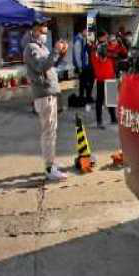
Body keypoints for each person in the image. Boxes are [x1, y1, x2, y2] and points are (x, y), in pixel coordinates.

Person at [24, 22, 68, 181]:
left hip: (50, 92)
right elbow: (41, 66)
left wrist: (61, 53)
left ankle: (52, 161)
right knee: (48, 132)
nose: (45, 34)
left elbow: (51, 64)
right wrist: (55, 50)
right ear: (35, 31)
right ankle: (49, 168)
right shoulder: (31, 48)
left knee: (52, 131)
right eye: (43, 31)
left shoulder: (42, 47)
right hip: (44, 94)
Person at [90, 32, 118, 128]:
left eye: (107, 38)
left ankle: (113, 118)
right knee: (100, 100)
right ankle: (99, 121)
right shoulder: (95, 49)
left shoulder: (107, 47)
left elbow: (115, 53)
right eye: (105, 37)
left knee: (111, 99)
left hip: (110, 76)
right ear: (100, 38)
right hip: (101, 78)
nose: (107, 39)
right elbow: (99, 60)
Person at [72, 26, 94, 103]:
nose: (88, 33)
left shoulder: (83, 39)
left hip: (86, 65)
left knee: (87, 81)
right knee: (83, 82)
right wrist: (80, 67)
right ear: (83, 31)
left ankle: (87, 97)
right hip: (82, 66)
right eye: (86, 31)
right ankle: (82, 97)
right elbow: (77, 55)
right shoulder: (78, 40)